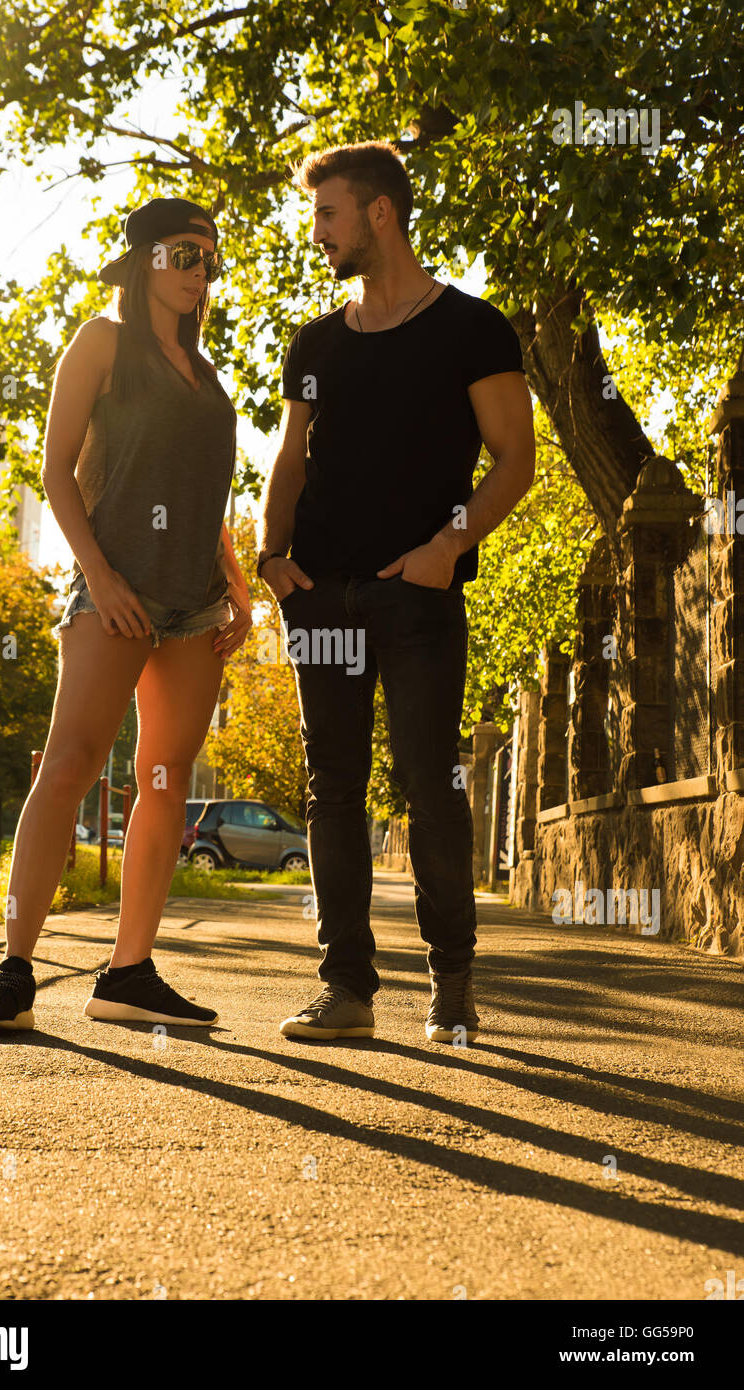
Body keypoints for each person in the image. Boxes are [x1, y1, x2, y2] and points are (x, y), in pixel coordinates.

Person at [258, 142, 535, 1044]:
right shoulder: (316, 342)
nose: (318, 234)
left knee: (429, 783)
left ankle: (450, 980)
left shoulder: (473, 328)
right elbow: (290, 456)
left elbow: (515, 459)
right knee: (330, 789)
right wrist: (271, 558)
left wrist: (446, 548)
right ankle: (346, 990)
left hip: (418, 595)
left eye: (328, 214)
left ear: (379, 212)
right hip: (322, 595)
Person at [0, 197, 251, 1032]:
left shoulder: (205, 373)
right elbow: (55, 473)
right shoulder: (100, 340)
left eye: (209, 257)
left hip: (196, 604)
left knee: (162, 782)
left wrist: (236, 587)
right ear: (143, 259)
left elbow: (209, 499)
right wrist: (101, 576)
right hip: (113, 589)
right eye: (184, 253)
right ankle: (14, 971)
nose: (200, 271)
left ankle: (127, 974)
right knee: (70, 761)